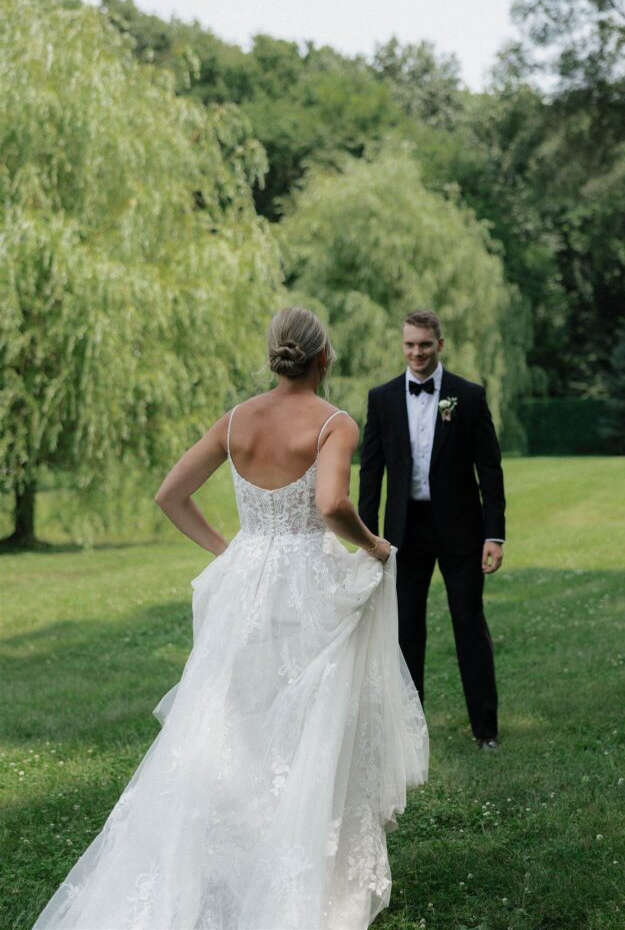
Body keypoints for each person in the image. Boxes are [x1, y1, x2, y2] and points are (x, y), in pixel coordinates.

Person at [31, 306, 428, 930]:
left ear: (277, 354)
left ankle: (225, 865)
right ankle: (297, 873)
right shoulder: (334, 424)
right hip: (306, 585)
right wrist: (374, 546)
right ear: (325, 358)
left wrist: (233, 552)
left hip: (246, 584)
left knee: (227, 718)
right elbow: (330, 504)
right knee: (306, 724)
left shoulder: (238, 419)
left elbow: (170, 495)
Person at [358, 309, 505, 751]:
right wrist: (368, 538)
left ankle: (486, 731)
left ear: (440, 345)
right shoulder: (381, 398)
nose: (417, 352)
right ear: (402, 346)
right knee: (405, 632)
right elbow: (371, 473)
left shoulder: (468, 396)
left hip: (461, 529)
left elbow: (490, 470)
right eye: (409, 345)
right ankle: (408, 733)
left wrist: (493, 535)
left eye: (425, 344)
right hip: (404, 532)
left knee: (468, 624)